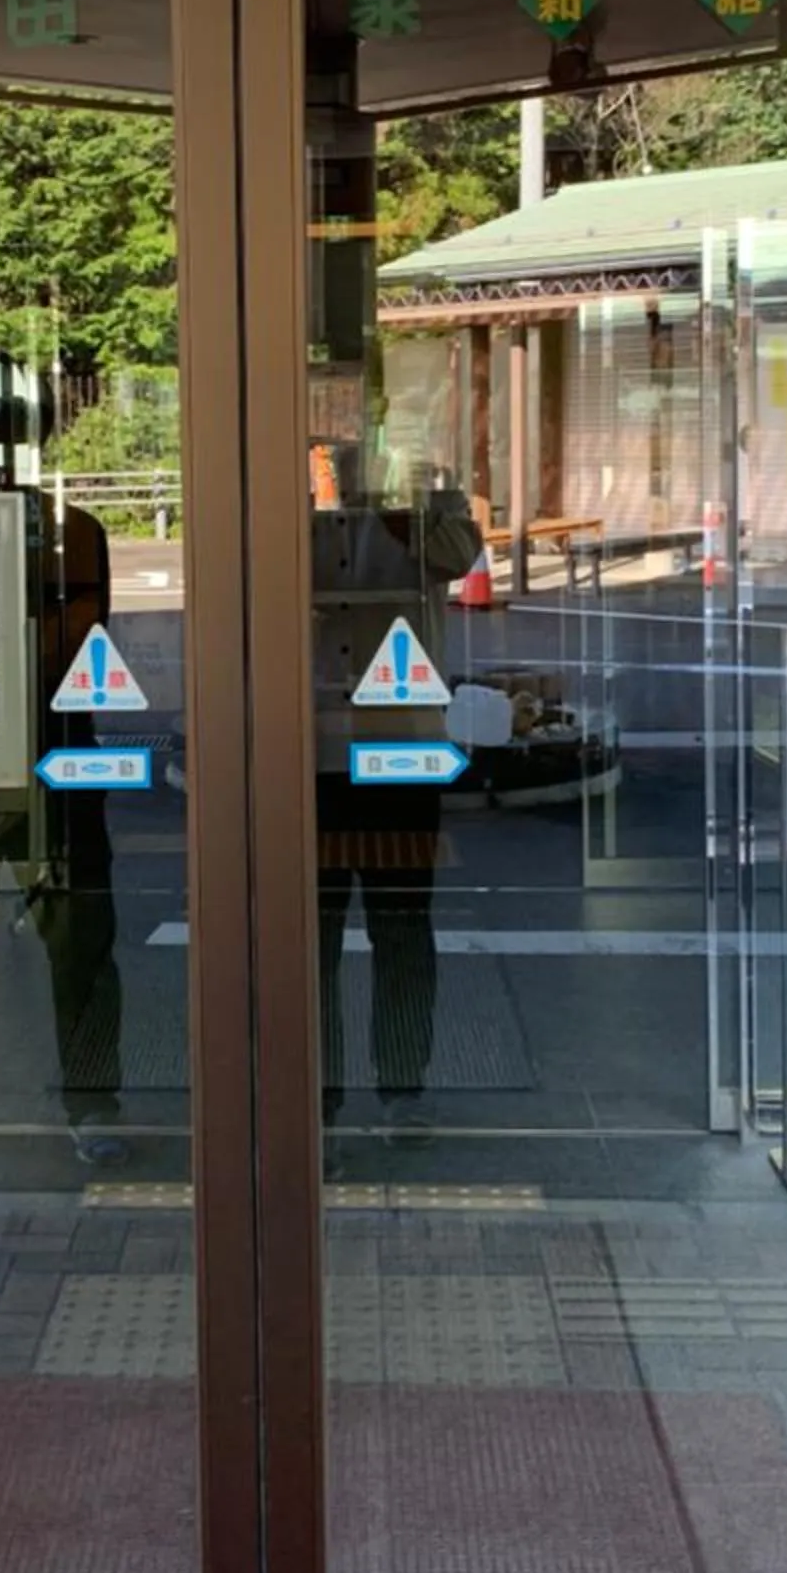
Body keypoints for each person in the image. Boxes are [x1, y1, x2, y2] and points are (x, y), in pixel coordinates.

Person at [0, 479, 126, 1160]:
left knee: (76, 946)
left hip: (29, 760)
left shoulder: (70, 532)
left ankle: (84, 1102)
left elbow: (75, 638)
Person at [309, 441, 482, 1153]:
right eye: (332, 462)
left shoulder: (426, 512)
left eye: (359, 462)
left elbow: (458, 555)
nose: (347, 475)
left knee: (403, 926)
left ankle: (403, 1088)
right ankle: (313, 1092)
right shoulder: (298, 521)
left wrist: (403, 503)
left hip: (401, 751)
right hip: (310, 751)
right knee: (307, 938)